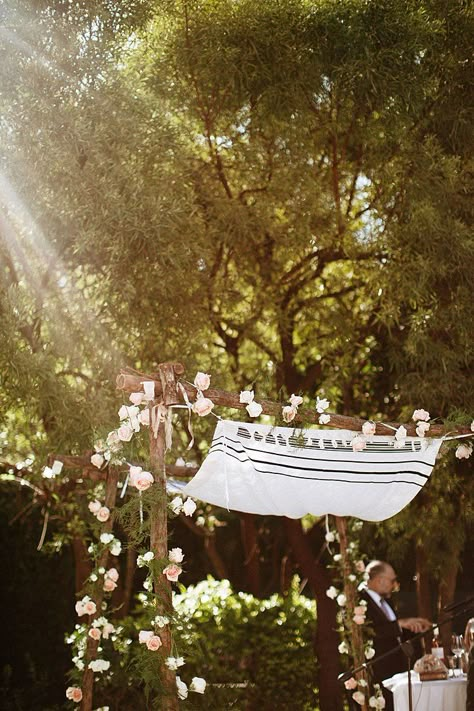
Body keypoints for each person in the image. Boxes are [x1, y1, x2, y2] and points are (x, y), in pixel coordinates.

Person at [359, 560, 431, 711]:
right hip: (379, 673)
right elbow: (370, 632)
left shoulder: (386, 602)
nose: (395, 585)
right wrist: (401, 624)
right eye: (392, 580)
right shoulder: (361, 602)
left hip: (397, 672)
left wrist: (412, 626)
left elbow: (394, 630)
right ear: (379, 580)